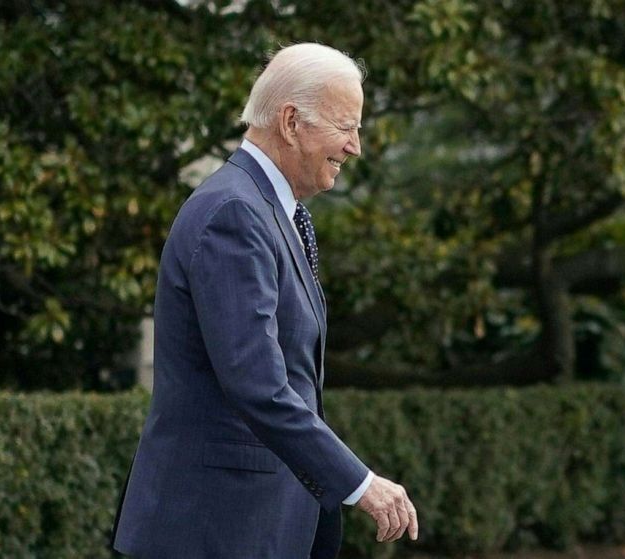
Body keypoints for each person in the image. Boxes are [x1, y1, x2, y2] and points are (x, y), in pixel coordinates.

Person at [111, 42, 419, 558]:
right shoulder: (234, 212)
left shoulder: (269, 210)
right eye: (346, 127)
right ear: (292, 122)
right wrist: (361, 484)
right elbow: (258, 384)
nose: (355, 147)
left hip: (254, 525)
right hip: (217, 529)